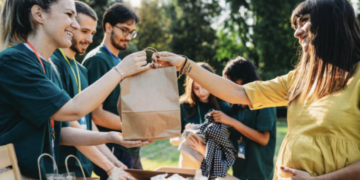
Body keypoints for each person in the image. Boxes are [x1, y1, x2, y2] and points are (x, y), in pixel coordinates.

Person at [153, 0, 360, 179]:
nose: (297, 33)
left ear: (333, 21)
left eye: (304, 21)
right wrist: (185, 65)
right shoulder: (299, 79)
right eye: (295, 25)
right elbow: (236, 92)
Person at [0, 0, 151, 179]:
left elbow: (60, 133)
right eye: (69, 15)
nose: (76, 24)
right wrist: (120, 71)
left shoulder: (48, 66)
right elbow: (72, 110)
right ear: (39, 14)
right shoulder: (14, 61)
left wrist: (111, 136)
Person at [51, 2, 136, 179]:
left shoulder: (82, 70)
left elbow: (89, 124)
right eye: (84, 31)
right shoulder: (54, 64)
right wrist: (108, 167)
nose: (89, 39)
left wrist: (115, 163)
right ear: (70, 26)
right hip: (62, 166)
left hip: (84, 166)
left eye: (92, 33)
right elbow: (68, 126)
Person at [82, 3, 143, 179]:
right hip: (112, 148)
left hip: (128, 146)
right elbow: (96, 114)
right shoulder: (98, 60)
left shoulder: (118, 62)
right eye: (124, 30)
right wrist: (137, 127)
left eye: (132, 32)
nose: (129, 37)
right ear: (108, 27)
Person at [210, 57, 277, 180]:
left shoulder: (264, 99)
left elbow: (263, 139)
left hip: (259, 173)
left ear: (243, 78)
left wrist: (231, 122)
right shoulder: (235, 103)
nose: (227, 86)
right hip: (239, 171)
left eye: (230, 81)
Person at [169, 62, 230, 169]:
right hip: (189, 162)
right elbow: (172, 140)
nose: (201, 92)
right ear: (190, 88)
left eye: (204, 87)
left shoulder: (224, 106)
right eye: (196, 88)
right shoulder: (184, 105)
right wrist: (187, 135)